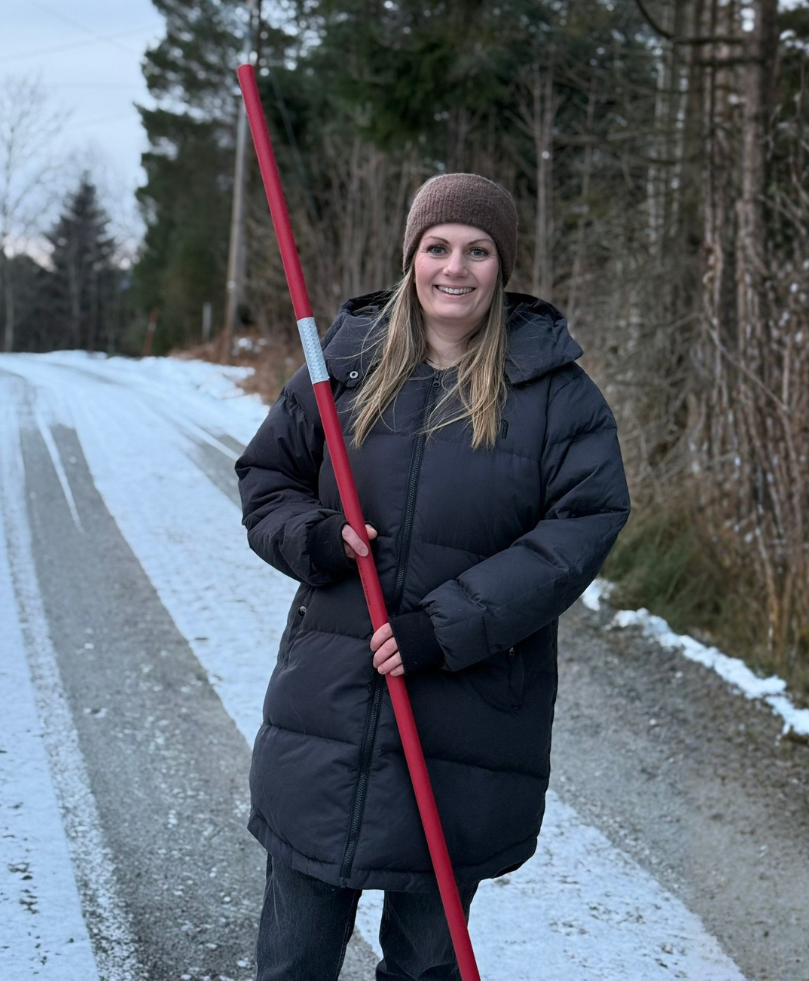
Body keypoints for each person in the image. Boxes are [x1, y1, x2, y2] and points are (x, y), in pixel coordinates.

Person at [235, 173, 631, 980]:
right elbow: (266, 480)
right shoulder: (340, 369)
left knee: (425, 965)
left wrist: (443, 628)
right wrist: (312, 539)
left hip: (469, 725)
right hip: (328, 712)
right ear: (411, 257)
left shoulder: (558, 396)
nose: (456, 267)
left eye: (478, 250)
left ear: (502, 266)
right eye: (437, 247)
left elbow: (582, 527)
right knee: (292, 961)